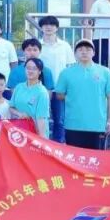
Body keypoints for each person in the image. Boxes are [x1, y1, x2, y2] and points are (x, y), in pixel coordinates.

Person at [55, 40, 110, 150]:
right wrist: (73, 98)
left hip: (97, 125)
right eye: (80, 50)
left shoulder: (105, 72)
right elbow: (59, 94)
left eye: (88, 50)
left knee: (96, 158)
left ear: (94, 53)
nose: (84, 52)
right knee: (74, 157)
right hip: (73, 124)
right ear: (75, 54)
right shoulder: (66, 73)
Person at [38, 15, 75, 143]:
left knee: (59, 119)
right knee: (40, 118)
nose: (48, 27)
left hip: (60, 88)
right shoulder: (37, 45)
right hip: (41, 88)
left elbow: (70, 67)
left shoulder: (64, 46)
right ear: (41, 27)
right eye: (45, 25)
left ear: (57, 28)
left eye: (52, 25)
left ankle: (58, 146)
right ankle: (41, 145)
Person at [10, 58, 51, 137]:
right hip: (19, 132)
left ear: (39, 71)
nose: (30, 71)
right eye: (28, 68)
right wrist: (19, 114)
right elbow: (11, 107)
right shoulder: (19, 87)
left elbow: (41, 119)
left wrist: (41, 140)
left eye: (34, 69)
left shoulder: (42, 92)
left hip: (35, 132)